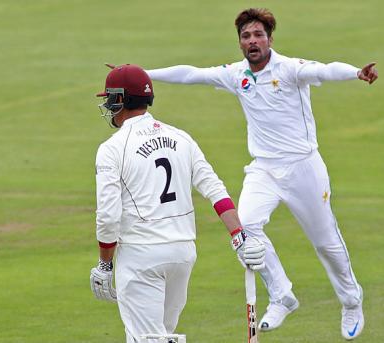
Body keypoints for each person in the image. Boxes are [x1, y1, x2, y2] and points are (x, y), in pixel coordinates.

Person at [117, 8, 380, 340]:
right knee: (246, 225)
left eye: (258, 35)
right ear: (240, 42)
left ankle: (351, 300)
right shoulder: (236, 74)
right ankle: (282, 294)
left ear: (270, 38)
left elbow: (325, 70)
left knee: (326, 242)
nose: (252, 41)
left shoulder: (290, 69)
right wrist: (141, 73)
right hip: (263, 169)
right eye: (246, 36)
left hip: (303, 168)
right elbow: (191, 74)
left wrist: (357, 72)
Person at [89, 64, 266, 343]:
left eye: (110, 98)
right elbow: (215, 189)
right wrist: (239, 237)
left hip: (141, 256)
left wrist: (104, 265)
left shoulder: (112, 148)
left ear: (119, 100)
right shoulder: (181, 138)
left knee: (146, 339)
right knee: (163, 336)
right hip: (182, 254)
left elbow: (108, 217)